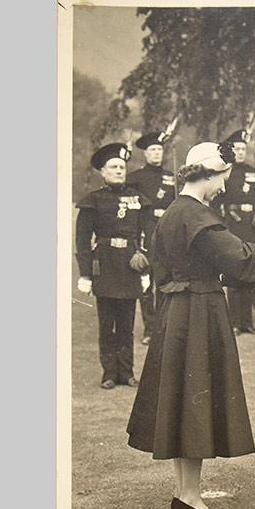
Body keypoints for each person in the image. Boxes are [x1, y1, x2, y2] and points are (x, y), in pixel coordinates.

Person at [127, 141, 255, 509]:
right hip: (198, 310)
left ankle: (185, 494)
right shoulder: (197, 215)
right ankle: (188, 496)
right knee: (196, 402)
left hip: (176, 311)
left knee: (185, 402)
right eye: (222, 178)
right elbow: (238, 260)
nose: (223, 186)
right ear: (208, 174)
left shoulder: (172, 212)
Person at [75, 143, 150, 389]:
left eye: (122, 167)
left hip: (130, 265)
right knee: (107, 324)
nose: (119, 171)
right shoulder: (93, 200)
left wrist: (146, 271)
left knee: (127, 324)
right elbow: (82, 240)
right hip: (104, 266)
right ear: (103, 172)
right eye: (113, 167)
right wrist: (85, 274)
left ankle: (127, 373)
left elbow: (148, 235)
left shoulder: (138, 199)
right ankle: (109, 374)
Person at [126, 130, 177, 342]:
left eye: (159, 149)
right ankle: (149, 328)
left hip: (167, 231)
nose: (156, 153)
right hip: (146, 229)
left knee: (165, 280)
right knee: (146, 281)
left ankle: (164, 326)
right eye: (152, 150)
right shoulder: (135, 178)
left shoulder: (171, 176)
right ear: (145, 154)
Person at [216, 128, 255, 335]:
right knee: (234, 273)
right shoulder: (225, 171)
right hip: (233, 225)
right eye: (237, 148)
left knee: (249, 273)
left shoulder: (254, 172)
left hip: (252, 226)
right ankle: (235, 322)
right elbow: (217, 201)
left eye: (243, 149)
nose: (240, 152)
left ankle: (247, 322)